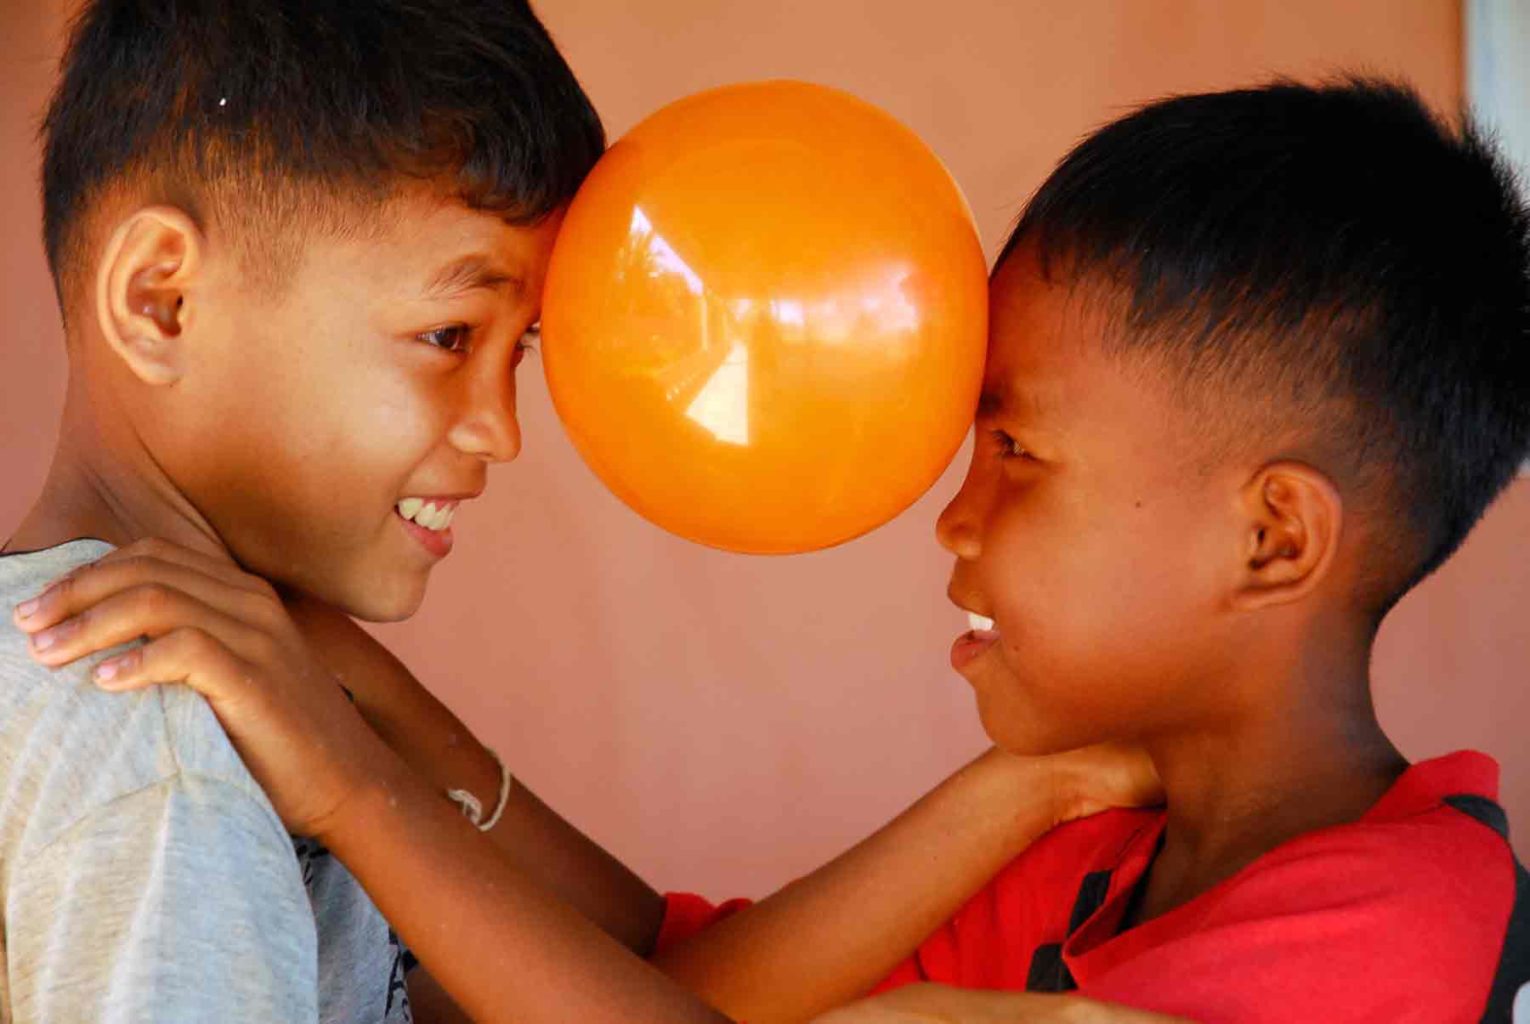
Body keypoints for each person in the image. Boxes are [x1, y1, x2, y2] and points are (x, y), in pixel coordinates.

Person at [23, 77, 1529, 1022]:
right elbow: (683, 978)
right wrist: (360, 686)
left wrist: (348, 779)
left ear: (1272, 536)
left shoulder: (1390, 928)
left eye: (1015, 452)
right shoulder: (1088, 849)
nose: (950, 513)